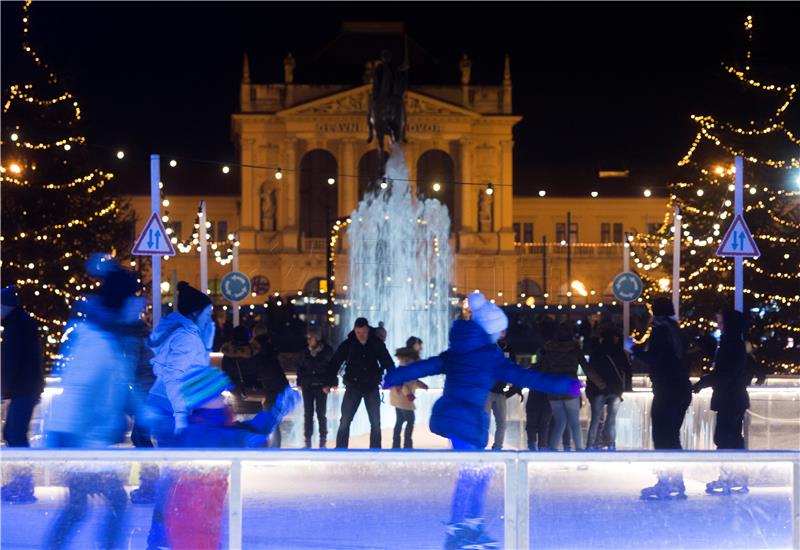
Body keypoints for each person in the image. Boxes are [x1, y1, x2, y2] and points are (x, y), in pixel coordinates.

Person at [384, 292, 580, 549]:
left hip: (458, 417)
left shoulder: (457, 352)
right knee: (471, 472)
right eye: (500, 332)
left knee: (480, 470)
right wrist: (565, 383)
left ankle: (471, 525)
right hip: (464, 419)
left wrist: (393, 376)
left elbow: (424, 367)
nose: (502, 336)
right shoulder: (490, 357)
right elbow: (526, 378)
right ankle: (458, 530)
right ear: (491, 331)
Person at [44, 261, 143, 550]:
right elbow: (78, 392)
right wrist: (69, 442)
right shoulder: (98, 342)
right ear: (121, 302)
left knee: (84, 507)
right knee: (109, 505)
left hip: (85, 440)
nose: (139, 303)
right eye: (133, 298)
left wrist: (146, 413)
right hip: (79, 442)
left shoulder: (110, 337)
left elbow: (125, 385)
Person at [162, 366, 301, 549]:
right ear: (203, 401)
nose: (224, 398)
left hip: (208, 512)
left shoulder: (217, 423)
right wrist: (246, 440)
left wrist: (276, 412)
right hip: (190, 517)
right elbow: (225, 438)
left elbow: (245, 430)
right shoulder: (198, 431)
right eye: (218, 395)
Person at [633, 296, 691, 500]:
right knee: (672, 436)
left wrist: (633, 349)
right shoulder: (677, 330)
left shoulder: (660, 330)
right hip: (681, 389)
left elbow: (656, 358)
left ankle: (666, 482)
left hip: (666, 389)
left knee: (662, 436)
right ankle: (676, 480)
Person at [146, 281, 214, 445]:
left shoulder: (178, 331)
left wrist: (207, 343)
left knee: (173, 462)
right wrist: (181, 418)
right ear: (195, 313)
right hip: (170, 409)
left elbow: (196, 367)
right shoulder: (186, 337)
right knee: (175, 462)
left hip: (162, 403)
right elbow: (173, 376)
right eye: (206, 315)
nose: (208, 320)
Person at [693, 309, 751, 495]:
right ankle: (734, 477)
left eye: (721, 322)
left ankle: (730, 477)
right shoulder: (733, 342)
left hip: (730, 398)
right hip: (733, 398)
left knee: (726, 438)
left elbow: (724, 372)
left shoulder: (731, 343)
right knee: (731, 437)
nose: (718, 325)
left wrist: (703, 382)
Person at [1, 286, 44, 504]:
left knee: (14, 435)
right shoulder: (19, 323)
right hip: (26, 387)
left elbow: (10, 362)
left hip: (24, 388)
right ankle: (22, 483)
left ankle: (23, 485)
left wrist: (2, 389)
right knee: (15, 434)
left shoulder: (16, 326)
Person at [329, 317, 394, 449]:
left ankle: (375, 450)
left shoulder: (376, 344)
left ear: (368, 330)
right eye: (358, 333)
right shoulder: (348, 344)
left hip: (371, 386)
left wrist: (393, 380)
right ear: (355, 331)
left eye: (364, 332)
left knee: (375, 422)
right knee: (345, 420)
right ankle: (341, 449)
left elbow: (388, 362)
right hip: (353, 387)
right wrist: (331, 381)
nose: (361, 336)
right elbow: (335, 363)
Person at [539, 322, 605, 451]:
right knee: (574, 422)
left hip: (553, 387)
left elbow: (544, 370)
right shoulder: (575, 349)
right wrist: (601, 384)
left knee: (560, 421)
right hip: (570, 387)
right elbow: (587, 368)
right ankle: (579, 449)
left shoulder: (548, 350)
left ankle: (553, 448)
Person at [586, 329, 632, 450]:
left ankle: (590, 445)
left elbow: (590, 371)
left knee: (595, 419)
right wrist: (627, 387)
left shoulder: (596, 351)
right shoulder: (618, 351)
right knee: (611, 419)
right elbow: (627, 369)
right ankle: (611, 445)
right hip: (615, 389)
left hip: (598, 389)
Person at [251, 323, 290, 447]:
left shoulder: (253, 349)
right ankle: (274, 445)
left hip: (264, 387)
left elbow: (255, 369)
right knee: (272, 419)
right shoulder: (271, 347)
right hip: (277, 385)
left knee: (267, 418)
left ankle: (267, 445)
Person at [297, 326, 336, 448]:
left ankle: (322, 440)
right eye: (308, 338)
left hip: (321, 386)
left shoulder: (326, 351)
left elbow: (332, 368)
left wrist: (330, 383)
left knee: (321, 413)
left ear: (317, 339)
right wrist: (300, 382)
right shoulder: (305, 351)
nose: (308, 341)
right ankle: (307, 440)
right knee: (308, 413)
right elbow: (300, 368)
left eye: (311, 338)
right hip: (307, 385)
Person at [390, 346, 428, 449]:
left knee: (400, 420)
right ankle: (407, 443)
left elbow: (413, 381)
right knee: (410, 420)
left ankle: (396, 444)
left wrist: (422, 385)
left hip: (398, 400)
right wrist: (409, 394)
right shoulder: (405, 370)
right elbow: (403, 385)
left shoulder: (403, 369)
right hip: (403, 400)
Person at [221, 325, 263, 417]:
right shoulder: (255, 353)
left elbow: (225, 372)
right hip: (253, 393)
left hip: (234, 394)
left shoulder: (228, 354)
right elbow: (260, 371)